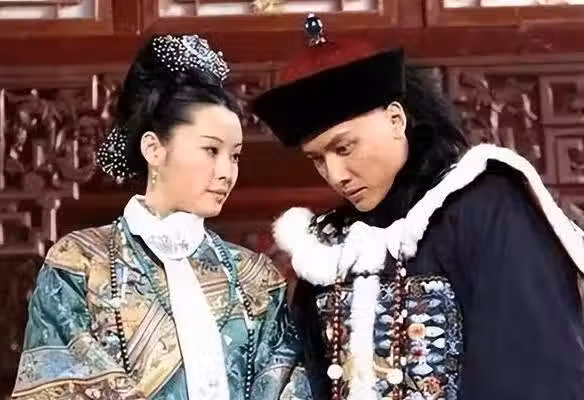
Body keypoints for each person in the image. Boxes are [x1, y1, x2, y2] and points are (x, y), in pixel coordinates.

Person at [251, 14, 584, 400]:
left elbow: (532, 366)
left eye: (344, 148)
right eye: (317, 160)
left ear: (396, 119)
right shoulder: (327, 250)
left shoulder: (482, 205)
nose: (336, 175)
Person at [12, 34, 313, 400]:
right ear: (154, 149)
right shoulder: (79, 263)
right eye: (210, 150)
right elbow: (60, 383)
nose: (226, 172)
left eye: (234, 155)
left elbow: (288, 383)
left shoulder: (256, 277)